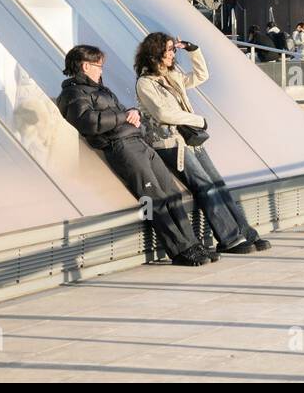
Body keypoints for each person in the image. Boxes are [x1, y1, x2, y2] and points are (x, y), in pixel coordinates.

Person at [55, 45, 210, 266]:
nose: (101, 71)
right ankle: (180, 250)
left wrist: (133, 114)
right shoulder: (72, 94)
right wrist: (122, 116)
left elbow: (119, 113)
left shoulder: (101, 90)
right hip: (121, 147)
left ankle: (193, 244)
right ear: (85, 66)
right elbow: (89, 122)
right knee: (154, 198)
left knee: (171, 192)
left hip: (139, 143)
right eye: (99, 66)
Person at [134, 33, 271, 254]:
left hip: (190, 140)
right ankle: (229, 238)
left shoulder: (172, 76)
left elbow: (201, 75)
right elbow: (162, 113)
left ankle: (245, 232)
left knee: (217, 184)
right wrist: (198, 120)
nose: (172, 54)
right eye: (168, 50)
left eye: (173, 50)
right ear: (154, 53)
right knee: (204, 186)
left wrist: (193, 49)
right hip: (169, 143)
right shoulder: (145, 83)